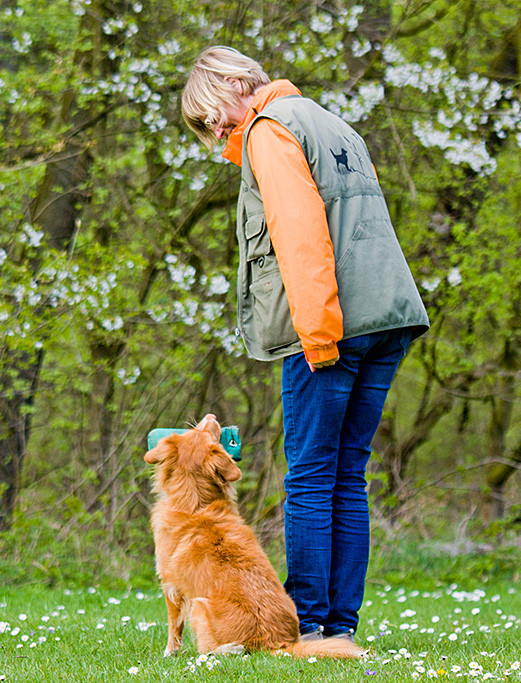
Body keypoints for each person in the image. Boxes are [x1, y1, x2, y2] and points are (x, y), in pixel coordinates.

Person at [181, 46, 429, 642]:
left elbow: (300, 236)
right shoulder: (331, 122)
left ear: (238, 83)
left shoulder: (270, 131)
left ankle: (311, 628)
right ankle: (341, 629)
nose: (213, 128)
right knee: (348, 475)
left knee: (313, 476)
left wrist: (317, 335)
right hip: (386, 316)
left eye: (211, 110)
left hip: (332, 324)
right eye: (201, 124)